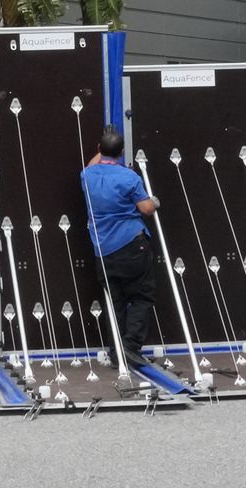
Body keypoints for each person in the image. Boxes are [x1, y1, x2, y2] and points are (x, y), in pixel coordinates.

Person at [80, 128, 159, 369]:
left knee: (113, 301)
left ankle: (117, 350)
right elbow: (146, 209)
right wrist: (155, 201)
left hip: (103, 251)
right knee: (142, 296)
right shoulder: (129, 178)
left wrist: (101, 149)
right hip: (132, 245)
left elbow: (94, 162)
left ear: (98, 149)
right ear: (122, 152)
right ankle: (131, 347)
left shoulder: (87, 176)